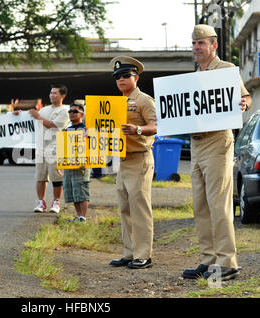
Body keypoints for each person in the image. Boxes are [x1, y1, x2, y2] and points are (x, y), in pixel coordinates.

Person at [182, 24, 251, 281]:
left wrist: (243, 103)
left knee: (219, 205)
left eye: (201, 43)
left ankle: (227, 262)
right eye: (193, 44)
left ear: (214, 45)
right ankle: (208, 259)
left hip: (217, 142)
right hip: (196, 145)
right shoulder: (195, 74)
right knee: (200, 205)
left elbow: (246, 97)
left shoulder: (226, 70)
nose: (196, 48)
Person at [108, 56, 157, 269]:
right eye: (117, 76)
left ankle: (143, 254)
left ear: (136, 77)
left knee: (140, 208)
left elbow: (156, 126)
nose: (121, 79)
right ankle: (129, 253)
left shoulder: (144, 100)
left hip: (140, 158)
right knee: (124, 208)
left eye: (125, 75)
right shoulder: (115, 103)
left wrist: (137, 129)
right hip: (122, 159)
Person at [23, 84, 70, 213]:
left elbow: (54, 126)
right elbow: (29, 119)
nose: (52, 95)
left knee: (56, 177)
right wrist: (18, 115)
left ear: (62, 96)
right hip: (41, 147)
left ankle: (56, 202)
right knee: (40, 176)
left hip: (55, 148)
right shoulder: (44, 110)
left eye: (55, 93)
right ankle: (41, 202)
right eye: (51, 93)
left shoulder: (64, 111)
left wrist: (38, 117)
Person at [62, 100, 90, 223]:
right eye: (70, 111)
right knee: (73, 192)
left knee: (81, 191)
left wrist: (86, 162)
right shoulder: (67, 129)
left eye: (75, 111)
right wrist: (60, 164)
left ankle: (83, 217)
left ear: (81, 115)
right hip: (69, 165)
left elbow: (91, 147)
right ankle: (79, 217)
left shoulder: (86, 129)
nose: (71, 113)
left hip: (82, 165)